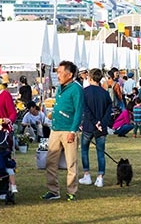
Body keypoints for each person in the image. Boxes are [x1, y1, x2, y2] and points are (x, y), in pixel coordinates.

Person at [41, 60, 84, 201]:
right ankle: (53, 191)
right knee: (50, 161)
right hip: (55, 129)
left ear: (69, 74)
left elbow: (79, 111)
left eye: (60, 72)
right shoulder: (59, 88)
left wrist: (73, 131)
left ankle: (72, 191)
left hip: (68, 130)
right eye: (57, 72)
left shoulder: (76, 89)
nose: (57, 75)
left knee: (71, 162)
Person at [79, 68, 112, 189]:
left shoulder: (85, 92)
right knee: (101, 153)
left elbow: (85, 109)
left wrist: (95, 122)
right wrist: (101, 123)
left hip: (88, 125)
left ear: (90, 78)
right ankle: (100, 177)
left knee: (84, 150)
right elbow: (109, 110)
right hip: (101, 127)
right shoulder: (105, 93)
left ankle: (87, 174)